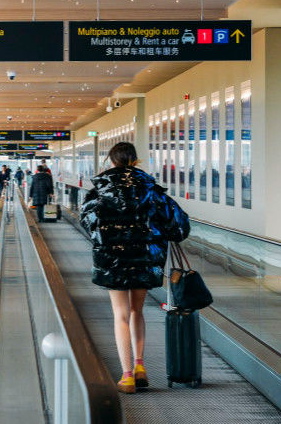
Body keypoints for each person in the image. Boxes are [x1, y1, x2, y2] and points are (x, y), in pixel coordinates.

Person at [80, 142, 190, 394]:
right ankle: (140, 365)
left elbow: (87, 222)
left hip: (112, 260)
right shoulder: (152, 189)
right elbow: (179, 225)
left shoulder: (100, 190)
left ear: (111, 161)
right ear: (135, 160)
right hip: (145, 259)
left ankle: (127, 376)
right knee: (136, 311)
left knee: (120, 314)